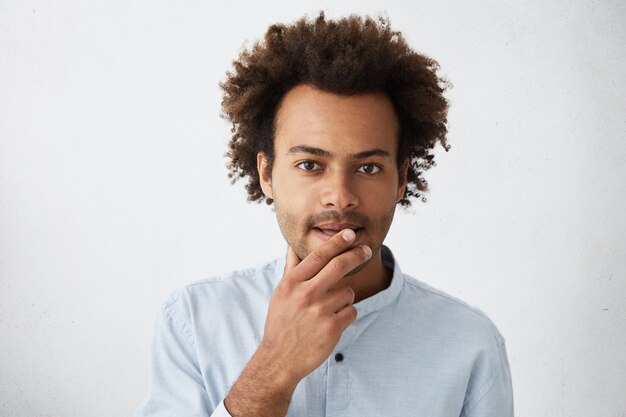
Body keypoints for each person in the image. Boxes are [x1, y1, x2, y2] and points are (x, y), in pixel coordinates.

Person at [134, 12, 514, 417]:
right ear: (266, 173)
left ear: (401, 179)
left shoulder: (471, 343)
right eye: (311, 165)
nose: (340, 197)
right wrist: (273, 367)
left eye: (368, 167)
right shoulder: (194, 320)